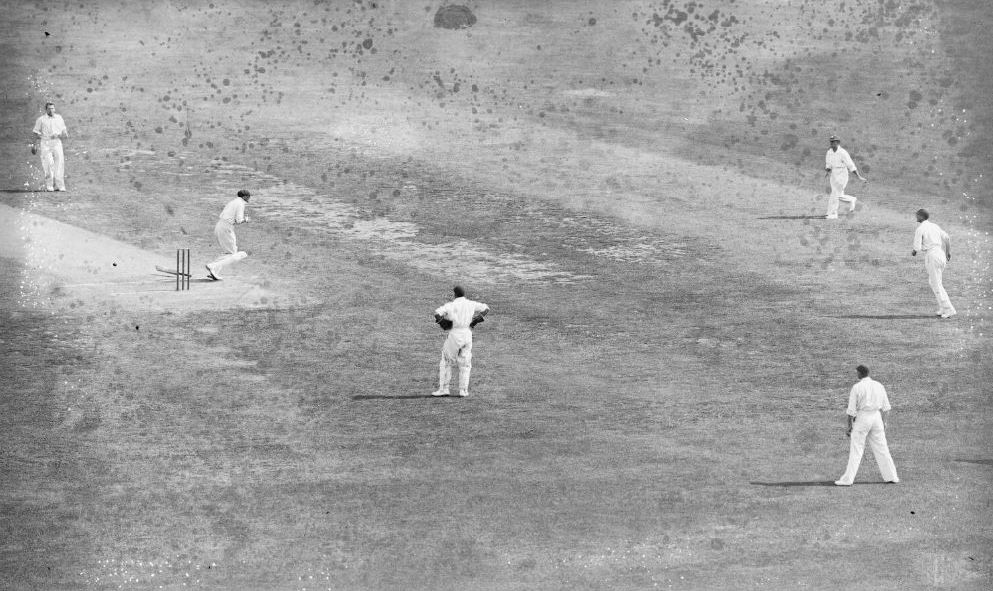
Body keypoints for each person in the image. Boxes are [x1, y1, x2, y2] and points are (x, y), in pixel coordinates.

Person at [835, 365, 899, 486]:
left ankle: (847, 480)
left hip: (863, 418)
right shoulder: (879, 385)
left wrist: (849, 426)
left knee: (856, 450)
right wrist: (884, 422)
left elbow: (851, 410)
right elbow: (887, 408)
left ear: (860, 373)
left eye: (857, 372)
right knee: (882, 448)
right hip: (876, 418)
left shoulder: (857, 387)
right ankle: (892, 476)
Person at [432, 286, 489, 398]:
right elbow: (486, 309)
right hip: (467, 334)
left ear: (454, 294)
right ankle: (463, 390)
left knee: (446, 361)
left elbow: (437, 313)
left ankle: (444, 389)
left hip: (454, 334)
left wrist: (442, 322)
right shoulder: (471, 304)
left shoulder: (450, 305)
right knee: (465, 363)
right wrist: (476, 320)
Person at [912, 208, 956, 318]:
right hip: (941, 254)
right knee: (934, 282)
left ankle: (949, 309)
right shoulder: (935, 226)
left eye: (917, 215)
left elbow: (917, 248)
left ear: (921, 217)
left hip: (932, 256)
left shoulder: (920, 229)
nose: (916, 217)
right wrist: (948, 252)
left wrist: (914, 251)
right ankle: (943, 308)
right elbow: (947, 238)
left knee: (936, 284)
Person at [205, 190, 251, 280]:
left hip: (219, 226)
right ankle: (212, 266)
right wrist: (246, 220)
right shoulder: (240, 204)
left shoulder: (233, 202)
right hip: (226, 228)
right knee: (233, 254)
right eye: (249, 197)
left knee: (228, 253)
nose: (249, 198)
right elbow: (239, 220)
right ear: (245, 196)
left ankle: (214, 272)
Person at [824, 135, 867, 219]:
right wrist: (827, 171)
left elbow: (851, 165)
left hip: (842, 174)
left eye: (833, 141)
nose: (831, 143)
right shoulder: (829, 152)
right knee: (836, 193)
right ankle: (851, 200)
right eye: (831, 141)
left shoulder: (843, 152)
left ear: (838, 142)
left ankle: (833, 214)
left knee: (835, 193)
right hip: (833, 174)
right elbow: (828, 163)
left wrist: (859, 176)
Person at [31, 102, 69, 192]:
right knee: (48, 164)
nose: (51, 110)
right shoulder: (41, 119)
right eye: (49, 108)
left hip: (57, 143)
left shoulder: (59, 118)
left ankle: (60, 186)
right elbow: (35, 132)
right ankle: (49, 185)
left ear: (54, 109)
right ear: (46, 109)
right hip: (45, 143)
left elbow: (64, 131)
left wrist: (60, 135)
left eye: (52, 108)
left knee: (59, 163)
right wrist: (34, 145)